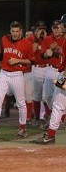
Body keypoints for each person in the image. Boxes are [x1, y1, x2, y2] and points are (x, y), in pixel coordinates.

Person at [0, 21, 34, 138]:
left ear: (21, 31)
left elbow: (32, 61)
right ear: (10, 30)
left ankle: (22, 129)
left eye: (17, 31)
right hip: (4, 73)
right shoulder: (4, 39)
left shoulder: (27, 44)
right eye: (13, 31)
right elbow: (0, 55)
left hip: (17, 74)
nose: (15, 33)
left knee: (21, 103)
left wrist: (18, 61)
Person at [32, 14, 66, 144]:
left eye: (62, 25)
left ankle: (51, 135)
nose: (60, 27)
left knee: (58, 105)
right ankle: (51, 134)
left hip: (63, 74)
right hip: (59, 72)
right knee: (58, 105)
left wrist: (63, 78)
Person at [40, 20, 65, 129]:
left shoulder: (64, 39)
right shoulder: (48, 39)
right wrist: (51, 50)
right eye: (54, 27)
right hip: (52, 70)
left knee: (59, 99)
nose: (57, 29)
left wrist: (54, 52)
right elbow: (44, 55)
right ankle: (55, 119)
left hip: (62, 72)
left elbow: (55, 55)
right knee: (47, 96)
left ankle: (57, 122)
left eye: (59, 27)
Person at [31, 21, 48, 127]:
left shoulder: (49, 39)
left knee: (48, 96)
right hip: (36, 69)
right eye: (40, 29)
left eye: (44, 29)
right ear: (35, 30)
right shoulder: (31, 39)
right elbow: (31, 52)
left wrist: (45, 39)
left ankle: (48, 116)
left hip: (48, 69)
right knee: (37, 96)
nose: (42, 31)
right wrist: (37, 39)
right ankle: (37, 119)